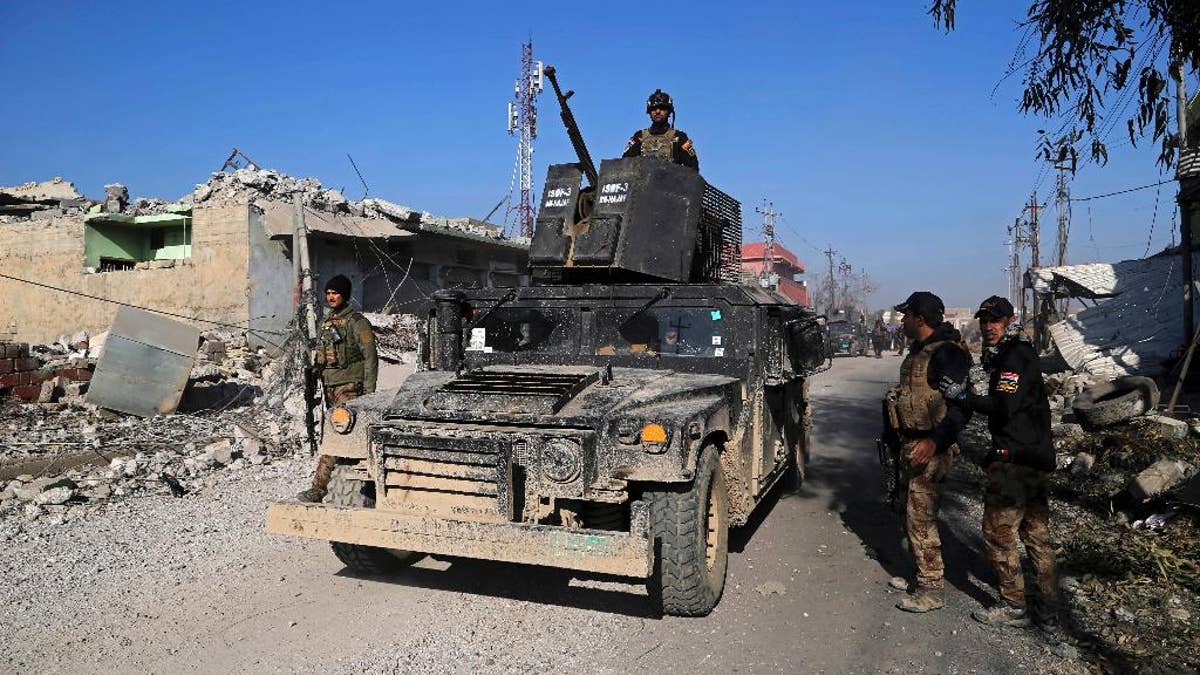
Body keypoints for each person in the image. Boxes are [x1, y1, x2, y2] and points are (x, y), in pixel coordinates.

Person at [941, 296, 1059, 629]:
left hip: (1014, 461)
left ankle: (1014, 606)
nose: (988, 327)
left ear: (1010, 321)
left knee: (997, 532)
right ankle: (1049, 611)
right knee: (1036, 533)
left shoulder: (1014, 356)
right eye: (984, 321)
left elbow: (1003, 406)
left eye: (995, 320)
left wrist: (965, 397)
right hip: (1034, 456)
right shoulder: (1017, 353)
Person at [886, 291, 973, 613]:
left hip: (930, 446)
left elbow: (962, 408)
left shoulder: (946, 354)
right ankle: (919, 573)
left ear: (920, 319)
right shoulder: (919, 350)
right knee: (907, 511)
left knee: (921, 518)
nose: (902, 320)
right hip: (910, 442)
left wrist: (935, 441)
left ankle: (931, 588)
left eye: (906, 315)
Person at [296, 274, 379, 503]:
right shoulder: (326, 323)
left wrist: (369, 395)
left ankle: (319, 488)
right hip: (330, 386)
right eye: (329, 293)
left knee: (337, 438)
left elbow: (370, 358)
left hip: (351, 387)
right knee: (339, 436)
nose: (331, 297)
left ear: (345, 295)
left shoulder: (357, 322)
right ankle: (346, 484)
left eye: (336, 293)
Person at [622, 89, 699, 171]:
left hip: (671, 182)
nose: (658, 111)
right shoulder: (639, 137)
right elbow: (624, 165)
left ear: (669, 112)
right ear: (649, 112)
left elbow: (692, 169)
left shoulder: (679, 138)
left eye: (662, 108)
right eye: (654, 109)